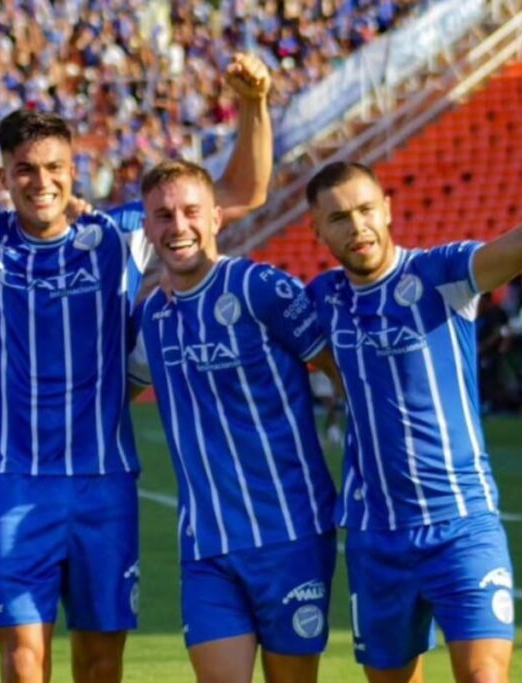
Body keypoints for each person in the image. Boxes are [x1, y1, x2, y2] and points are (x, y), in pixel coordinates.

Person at [0, 52, 273, 683]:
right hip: (14, 484)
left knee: (98, 665)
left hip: (104, 481)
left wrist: (252, 103)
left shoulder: (117, 234)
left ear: (73, 170)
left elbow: (242, 192)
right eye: (26, 171)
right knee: (23, 661)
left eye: (56, 169)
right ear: (4, 176)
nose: (43, 183)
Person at [303, 127, 522, 683]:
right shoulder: (320, 301)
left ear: (387, 210)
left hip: (462, 524)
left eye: (364, 210)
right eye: (338, 218)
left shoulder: (441, 275)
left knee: (483, 677)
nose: (356, 226)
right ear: (317, 232)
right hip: (374, 533)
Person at [128, 160, 339, 683]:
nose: (178, 226)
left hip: (290, 536)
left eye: (190, 211)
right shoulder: (153, 317)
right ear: (148, 229)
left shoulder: (261, 288)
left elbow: (344, 370)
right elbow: (115, 390)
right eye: (162, 215)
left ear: (217, 218)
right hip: (207, 549)